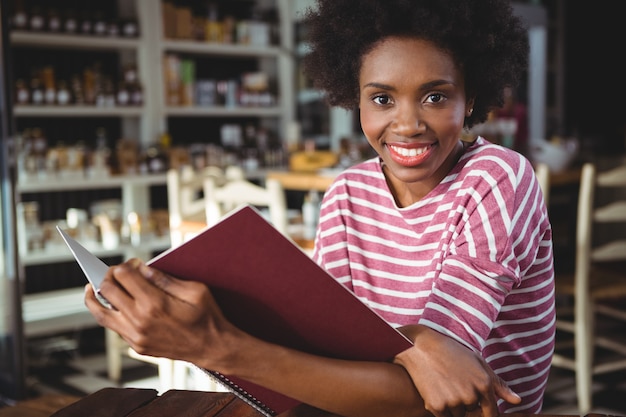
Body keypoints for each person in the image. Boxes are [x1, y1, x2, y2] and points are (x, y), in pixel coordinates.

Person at [85, 0, 555, 416]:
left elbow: (436, 397)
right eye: (382, 98)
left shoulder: (497, 177)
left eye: (435, 96)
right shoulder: (347, 194)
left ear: (469, 98)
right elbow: (336, 354)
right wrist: (417, 347)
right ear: (355, 100)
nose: (407, 123)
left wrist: (215, 346)